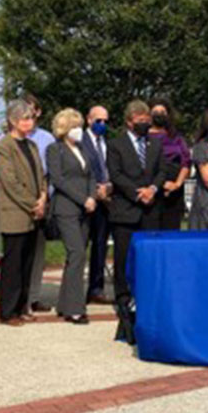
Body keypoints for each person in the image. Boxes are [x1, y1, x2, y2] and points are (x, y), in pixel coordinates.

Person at [107, 100, 167, 307]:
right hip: (126, 209)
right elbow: (115, 174)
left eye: (147, 120)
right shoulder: (116, 144)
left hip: (151, 210)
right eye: (140, 120)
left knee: (149, 256)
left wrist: (153, 189)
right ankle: (123, 298)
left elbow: (162, 170)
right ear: (129, 121)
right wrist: (136, 193)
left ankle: (147, 295)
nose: (145, 124)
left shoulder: (156, 143)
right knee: (123, 257)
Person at [0, 100, 47, 326]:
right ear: (13, 121)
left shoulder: (32, 145)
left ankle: (23, 305)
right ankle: (8, 311)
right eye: (25, 118)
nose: (30, 122)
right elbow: (10, 181)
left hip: (35, 211)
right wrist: (32, 203)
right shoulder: (5, 145)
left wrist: (43, 197)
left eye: (31, 118)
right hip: (16, 211)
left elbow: (41, 176)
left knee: (28, 262)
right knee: (13, 263)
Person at [46, 109, 97, 324]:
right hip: (66, 207)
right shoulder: (54, 149)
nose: (79, 130)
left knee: (75, 256)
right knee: (77, 253)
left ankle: (65, 303)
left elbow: (91, 175)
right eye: (74, 126)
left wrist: (92, 196)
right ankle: (75, 308)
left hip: (86, 209)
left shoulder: (82, 149)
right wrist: (82, 198)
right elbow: (58, 180)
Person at [21, 92, 55, 314]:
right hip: (18, 203)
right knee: (18, 252)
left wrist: (44, 198)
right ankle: (18, 296)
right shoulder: (8, 139)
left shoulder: (47, 139)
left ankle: (33, 296)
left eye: (30, 110)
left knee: (37, 252)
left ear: (38, 112)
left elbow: (51, 173)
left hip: (42, 201)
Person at [81, 105, 113, 304]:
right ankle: (74, 290)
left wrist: (108, 188)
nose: (102, 124)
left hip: (104, 202)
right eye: (98, 120)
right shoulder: (80, 142)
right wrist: (94, 191)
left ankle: (96, 287)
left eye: (105, 121)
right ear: (88, 119)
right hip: (86, 200)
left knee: (100, 246)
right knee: (80, 245)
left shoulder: (106, 143)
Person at [148, 97, 191, 230]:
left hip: (174, 192)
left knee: (171, 229)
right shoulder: (143, 137)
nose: (159, 115)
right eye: (156, 112)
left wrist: (177, 184)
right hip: (152, 191)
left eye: (163, 112)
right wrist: (157, 185)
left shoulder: (176, 137)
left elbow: (186, 162)